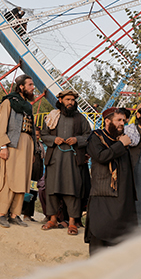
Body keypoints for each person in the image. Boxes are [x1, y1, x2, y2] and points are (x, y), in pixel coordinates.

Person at [85, 108, 137, 255]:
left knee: (122, 238)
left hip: (123, 197)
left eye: (123, 120)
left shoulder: (123, 139)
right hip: (103, 194)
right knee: (99, 231)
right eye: (119, 120)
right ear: (107, 121)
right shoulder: (96, 137)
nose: (123, 123)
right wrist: (121, 145)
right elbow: (101, 156)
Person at [40, 90, 91, 236]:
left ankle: (72, 222)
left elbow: (88, 135)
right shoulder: (52, 117)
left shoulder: (80, 118)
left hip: (72, 160)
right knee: (52, 189)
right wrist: (53, 139)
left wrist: (77, 140)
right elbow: (43, 134)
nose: (70, 102)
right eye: (68, 99)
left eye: (73, 100)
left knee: (72, 190)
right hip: (55, 158)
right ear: (60, 100)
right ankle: (53, 219)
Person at [0, 74, 36, 228]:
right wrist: (3, 146)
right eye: (30, 85)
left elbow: (31, 128)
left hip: (27, 144)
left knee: (22, 180)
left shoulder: (28, 105)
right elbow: (1, 125)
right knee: (8, 178)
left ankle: (15, 214)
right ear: (21, 87)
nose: (33, 88)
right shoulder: (8, 102)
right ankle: (1, 213)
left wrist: (33, 150)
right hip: (12, 143)